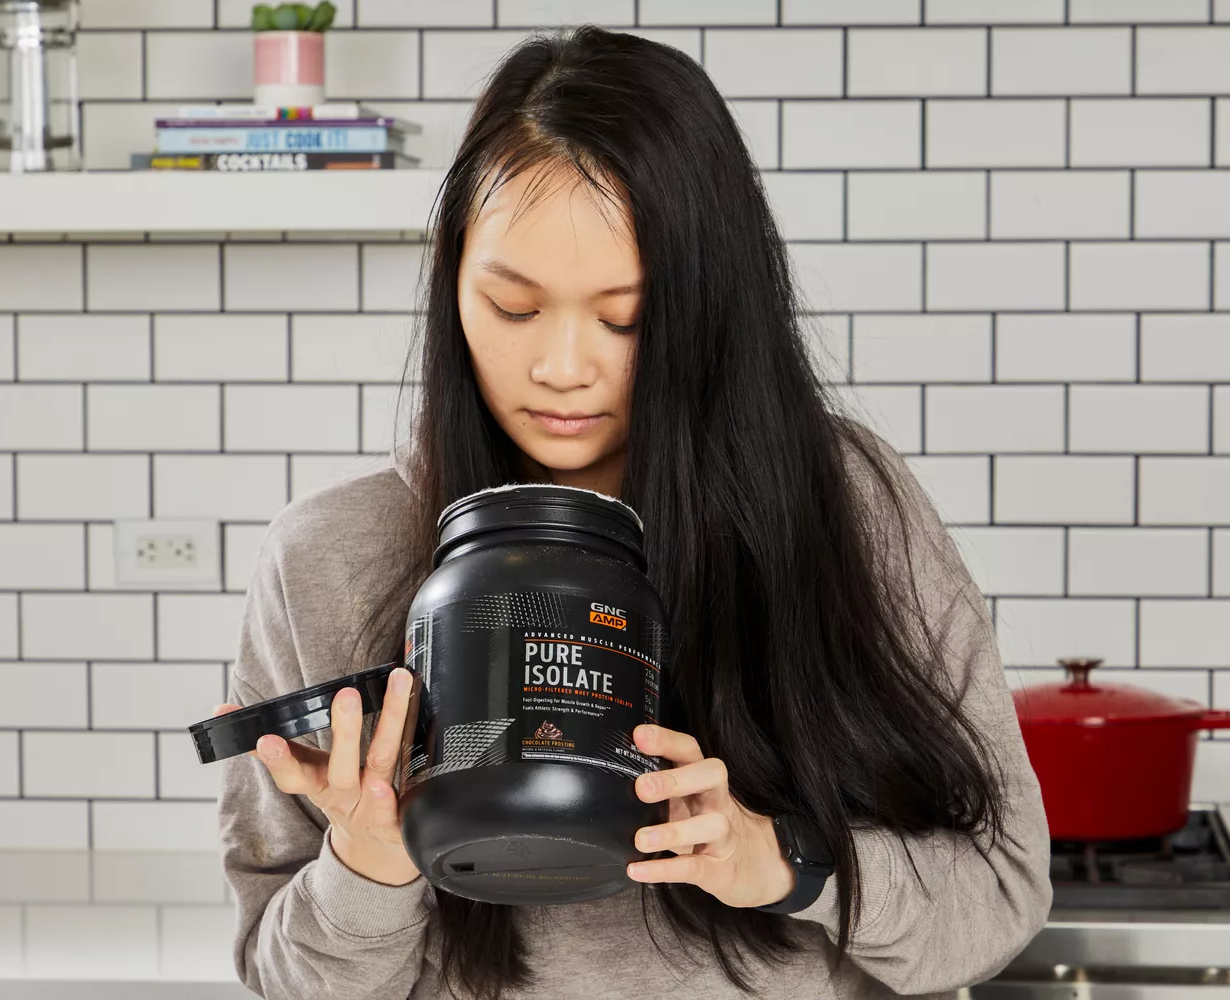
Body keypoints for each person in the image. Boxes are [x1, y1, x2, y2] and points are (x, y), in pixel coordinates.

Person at [212, 24, 1052, 1000]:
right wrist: (370, 865)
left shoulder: (840, 501)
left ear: (707, 307)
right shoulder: (328, 556)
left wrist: (781, 861)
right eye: (515, 307)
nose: (563, 368)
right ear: (452, 280)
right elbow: (283, 975)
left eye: (625, 317)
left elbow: (1000, 893)